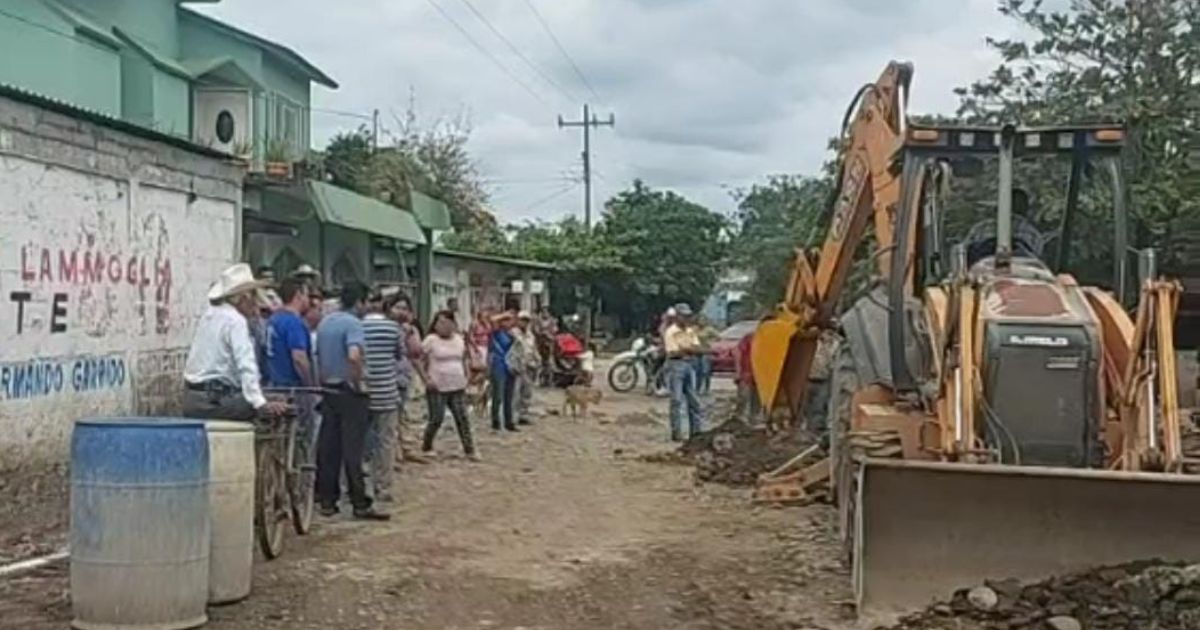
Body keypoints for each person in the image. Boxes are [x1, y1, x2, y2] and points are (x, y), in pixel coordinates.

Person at [314, 282, 389, 520]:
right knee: (353, 449)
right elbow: (354, 356)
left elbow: (316, 356)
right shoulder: (354, 324)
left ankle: (327, 500)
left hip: (328, 389)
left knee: (329, 447)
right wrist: (358, 383)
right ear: (359, 302)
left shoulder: (326, 323)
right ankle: (360, 502)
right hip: (349, 391)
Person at [182, 264, 288, 420]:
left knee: (262, 399)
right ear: (244, 298)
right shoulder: (235, 320)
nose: (255, 304)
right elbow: (246, 364)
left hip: (193, 398)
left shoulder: (209, 315)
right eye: (253, 296)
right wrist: (260, 403)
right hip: (214, 401)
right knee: (272, 409)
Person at [415, 310, 478, 460]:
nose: (443, 326)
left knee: (462, 417)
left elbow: (464, 358)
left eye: (446, 322)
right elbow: (418, 359)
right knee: (436, 418)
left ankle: (470, 450)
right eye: (440, 322)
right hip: (437, 386)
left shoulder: (458, 339)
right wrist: (426, 379)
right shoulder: (431, 340)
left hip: (457, 385)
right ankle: (427, 445)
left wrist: (467, 374)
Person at [361, 292, 403, 503]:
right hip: (387, 392)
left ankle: (365, 483)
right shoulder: (393, 328)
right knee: (386, 442)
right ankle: (383, 486)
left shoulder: (358, 326)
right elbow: (399, 354)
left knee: (364, 441)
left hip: (364, 392)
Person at [387, 294, 429, 463]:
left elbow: (416, 353)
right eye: (398, 307)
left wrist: (411, 332)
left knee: (404, 413)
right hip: (388, 377)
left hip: (405, 376)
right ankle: (393, 453)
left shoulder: (410, 329)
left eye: (405, 308)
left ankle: (407, 448)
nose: (401, 312)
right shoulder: (386, 328)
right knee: (391, 416)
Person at [663, 302, 704, 441]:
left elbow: (698, 349)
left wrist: (687, 350)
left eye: (688, 316)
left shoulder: (690, 331)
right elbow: (673, 353)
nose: (686, 319)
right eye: (683, 316)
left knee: (694, 400)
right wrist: (689, 350)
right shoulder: (671, 332)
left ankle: (696, 433)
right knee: (676, 400)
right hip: (676, 366)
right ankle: (677, 433)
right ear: (677, 317)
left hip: (689, 365)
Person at [265, 278, 313, 387]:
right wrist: (310, 385)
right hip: (291, 387)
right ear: (298, 295)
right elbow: (299, 358)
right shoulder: (293, 323)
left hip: (274, 384)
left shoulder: (273, 320)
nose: (308, 300)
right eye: (306, 295)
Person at [488, 311, 519, 432]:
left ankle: (509, 421)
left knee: (509, 396)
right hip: (498, 365)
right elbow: (492, 320)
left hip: (511, 366)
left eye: (510, 320)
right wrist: (504, 315)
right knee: (498, 395)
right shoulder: (497, 333)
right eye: (506, 320)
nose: (509, 322)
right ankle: (495, 421)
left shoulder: (513, 334)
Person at [511, 311, 540, 424]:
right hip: (517, 366)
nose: (524, 323)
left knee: (527, 392)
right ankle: (512, 416)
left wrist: (537, 360)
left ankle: (523, 414)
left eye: (526, 320)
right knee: (515, 392)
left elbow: (533, 349)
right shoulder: (512, 333)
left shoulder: (530, 335)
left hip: (529, 366)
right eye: (522, 320)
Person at [695, 318, 719, 395]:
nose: (701, 322)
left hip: (706, 352)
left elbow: (718, 337)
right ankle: (697, 388)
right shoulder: (695, 329)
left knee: (705, 371)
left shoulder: (709, 329)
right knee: (697, 371)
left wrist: (710, 343)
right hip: (697, 352)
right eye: (700, 320)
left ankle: (706, 389)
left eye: (703, 320)